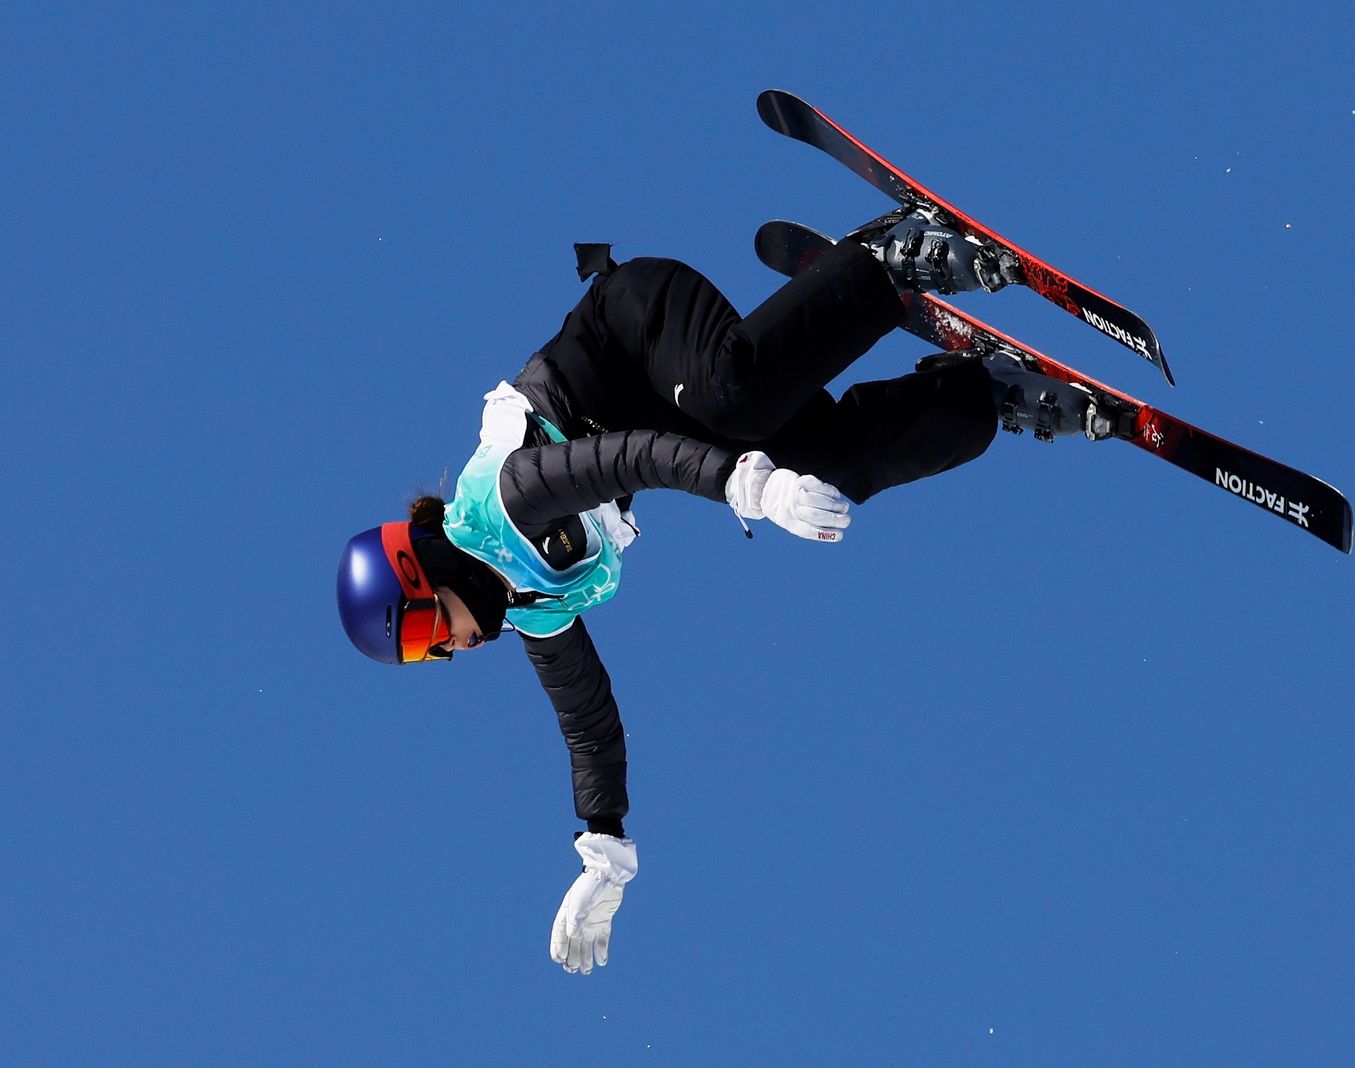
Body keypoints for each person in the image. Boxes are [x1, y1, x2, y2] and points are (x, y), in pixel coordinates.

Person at [335, 211, 1089, 975]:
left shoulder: (509, 497)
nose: (452, 649)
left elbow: (629, 460)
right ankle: (981, 398)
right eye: (433, 657)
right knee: (823, 476)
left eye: (431, 633)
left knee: (737, 399)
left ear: (427, 572)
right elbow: (587, 720)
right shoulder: (531, 599)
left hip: (640, 324)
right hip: (680, 404)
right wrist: (604, 846)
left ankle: (889, 261)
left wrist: (743, 485)